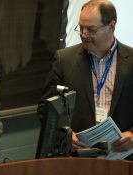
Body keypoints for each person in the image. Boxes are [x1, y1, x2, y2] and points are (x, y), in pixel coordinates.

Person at [37, 0, 133, 155]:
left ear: (111, 26)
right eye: (81, 28)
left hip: (123, 160)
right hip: (78, 159)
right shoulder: (64, 60)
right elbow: (45, 109)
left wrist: (132, 136)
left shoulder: (132, 61)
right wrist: (66, 135)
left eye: (91, 30)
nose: (84, 35)